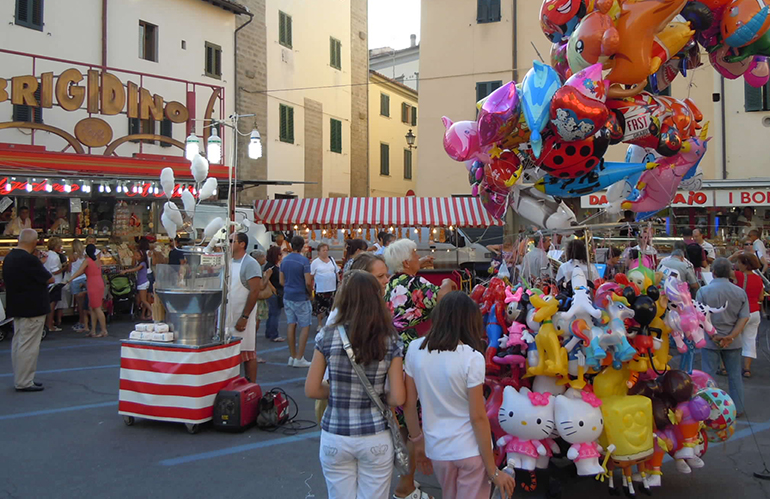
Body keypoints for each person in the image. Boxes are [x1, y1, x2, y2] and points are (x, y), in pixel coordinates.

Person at [402, 292, 516, 499]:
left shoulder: (414, 350)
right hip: (470, 450)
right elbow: (478, 417)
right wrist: (493, 470)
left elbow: (409, 404)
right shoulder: (472, 358)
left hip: (437, 449)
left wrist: (417, 440)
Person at [305, 271, 406, 499]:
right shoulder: (390, 339)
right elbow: (398, 397)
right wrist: (376, 393)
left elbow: (312, 389)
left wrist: (341, 390)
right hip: (375, 434)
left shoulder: (327, 335)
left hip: (336, 434)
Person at [384, 238, 456, 499]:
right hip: (408, 351)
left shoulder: (392, 282)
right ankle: (406, 483)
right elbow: (444, 301)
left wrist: (419, 268)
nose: (420, 256)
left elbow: (411, 293)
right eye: (416, 253)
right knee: (413, 416)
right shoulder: (417, 284)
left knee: (402, 417)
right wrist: (447, 284)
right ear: (406, 261)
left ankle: (407, 478)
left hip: (389, 347)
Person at [696, 258, 749, 418]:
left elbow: (700, 317)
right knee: (734, 376)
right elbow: (744, 317)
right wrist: (731, 336)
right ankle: (737, 408)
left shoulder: (703, 292)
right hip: (733, 340)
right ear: (730, 272)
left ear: (713, 273)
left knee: (708, 376)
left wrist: (713, 335)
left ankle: (708, 408)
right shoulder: (739, 292)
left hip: (710, 340)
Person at [6, 229, 53, 391]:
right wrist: (41, 262)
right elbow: (49, 278)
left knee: (19, 343)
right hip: (33, 307)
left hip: (16, 306)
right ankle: (25, 381)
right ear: (34, 242)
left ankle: (21, 377)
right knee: (29, 346)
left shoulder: (10, 257)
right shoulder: (29, 260)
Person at [222, 232, 263, 382]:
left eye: (232, 241)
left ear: (242, 244)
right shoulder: (229, 261)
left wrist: (244, 317)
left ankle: (251, 386)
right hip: (229, 316)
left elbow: (254, 291)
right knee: (232, 353)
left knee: (247, 352)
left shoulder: (250, 264)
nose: (229, 243)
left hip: (242, 316)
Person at [281, 235, 313, 368]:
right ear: (302, 246)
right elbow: (308, 281)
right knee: (305, 326)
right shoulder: (304, 261)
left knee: (291, 324)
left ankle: (292, 355)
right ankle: (300, 357)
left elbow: (281, 281)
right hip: (300, 296)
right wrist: (310, 292)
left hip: (288, 294)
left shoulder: (285, 260)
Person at [66, 244, 108, 337]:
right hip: (98, 283)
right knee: (93, 307)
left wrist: (70, 279)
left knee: (96, 308)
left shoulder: (87, 261)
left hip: (92, 284)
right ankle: (93, 330)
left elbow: (79, 271)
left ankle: (103, 330)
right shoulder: (97, 261)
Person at [733, 253, 764, 379]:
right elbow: (761, 297)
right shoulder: (758, 279)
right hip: (755, 311)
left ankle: (727, 366)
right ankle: (747, 368)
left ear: (745, 265)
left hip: (741, 312)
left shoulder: (739, 275)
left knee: (734, 339)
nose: (737, 265)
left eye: (739, 262)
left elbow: (720, 268)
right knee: (750, 340)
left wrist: (732, 256)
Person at [120, 239, 152, 320]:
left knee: (143, 300)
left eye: (137, 256)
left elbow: (136, 269)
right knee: (143, 300)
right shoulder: (142, 263)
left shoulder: (142, 264)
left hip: (143, 283)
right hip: (143, 282)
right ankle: (144, 315)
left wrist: (126, 271)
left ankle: (152, 312)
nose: (135, 257)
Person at [311, 243, 339, 328]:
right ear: (319, 252)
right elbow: (311, 275)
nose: (325, 252)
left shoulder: (331, 260)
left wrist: (339, 281)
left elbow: (336, 271)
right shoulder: (315, 262)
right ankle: (320, 324)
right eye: (323, 250)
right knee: (320, 308)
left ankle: (329, 323)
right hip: (321, 289)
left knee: (331, 307)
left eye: (327, 250)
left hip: (332, 288)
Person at [43, 236, 65, 332]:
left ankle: (48, 323)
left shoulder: (46, 254)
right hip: (55, 282)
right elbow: (55, 271)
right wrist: (64, 267)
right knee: (52, 304)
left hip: (47, 282)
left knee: (49, 303)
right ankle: (50, 325)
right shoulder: (55, 257)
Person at [264, 246, 285, 343]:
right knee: (275, 314)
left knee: (272, 313)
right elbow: (266, 278)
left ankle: (269, 332)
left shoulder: (272, 265)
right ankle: (274, 334)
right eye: (280, 254)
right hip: (274, 292)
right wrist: (273, 288)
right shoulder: (271, 266)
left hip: (275, 291)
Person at [69, 239, 90, 333]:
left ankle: (81, 321)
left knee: (79, 303)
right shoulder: (85, 256)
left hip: (75, 279)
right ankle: (85, 321)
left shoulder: (72, 256)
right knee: (85, 303)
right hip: (84, 278)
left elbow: (69, 269)